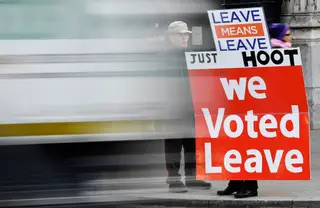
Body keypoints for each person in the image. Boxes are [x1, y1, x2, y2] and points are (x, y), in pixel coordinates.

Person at [216, 23, 293, 199]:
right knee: (237, 145)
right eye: (287, 34)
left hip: (262, 109)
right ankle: (235, 182)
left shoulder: (283, 54)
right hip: (246, 104)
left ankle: (251, 186)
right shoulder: (265, 53)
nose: (291, 38)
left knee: (250, 148)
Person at [161, 21, 211, 193]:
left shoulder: (190, 54)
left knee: (193, 143)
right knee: (174, 145)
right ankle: (174, 180)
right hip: (172, 109)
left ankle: (192, 177)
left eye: (186, 34)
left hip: (192, 107)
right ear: (171, 37)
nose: (184, 37)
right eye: (180, 34)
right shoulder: (163, 57)